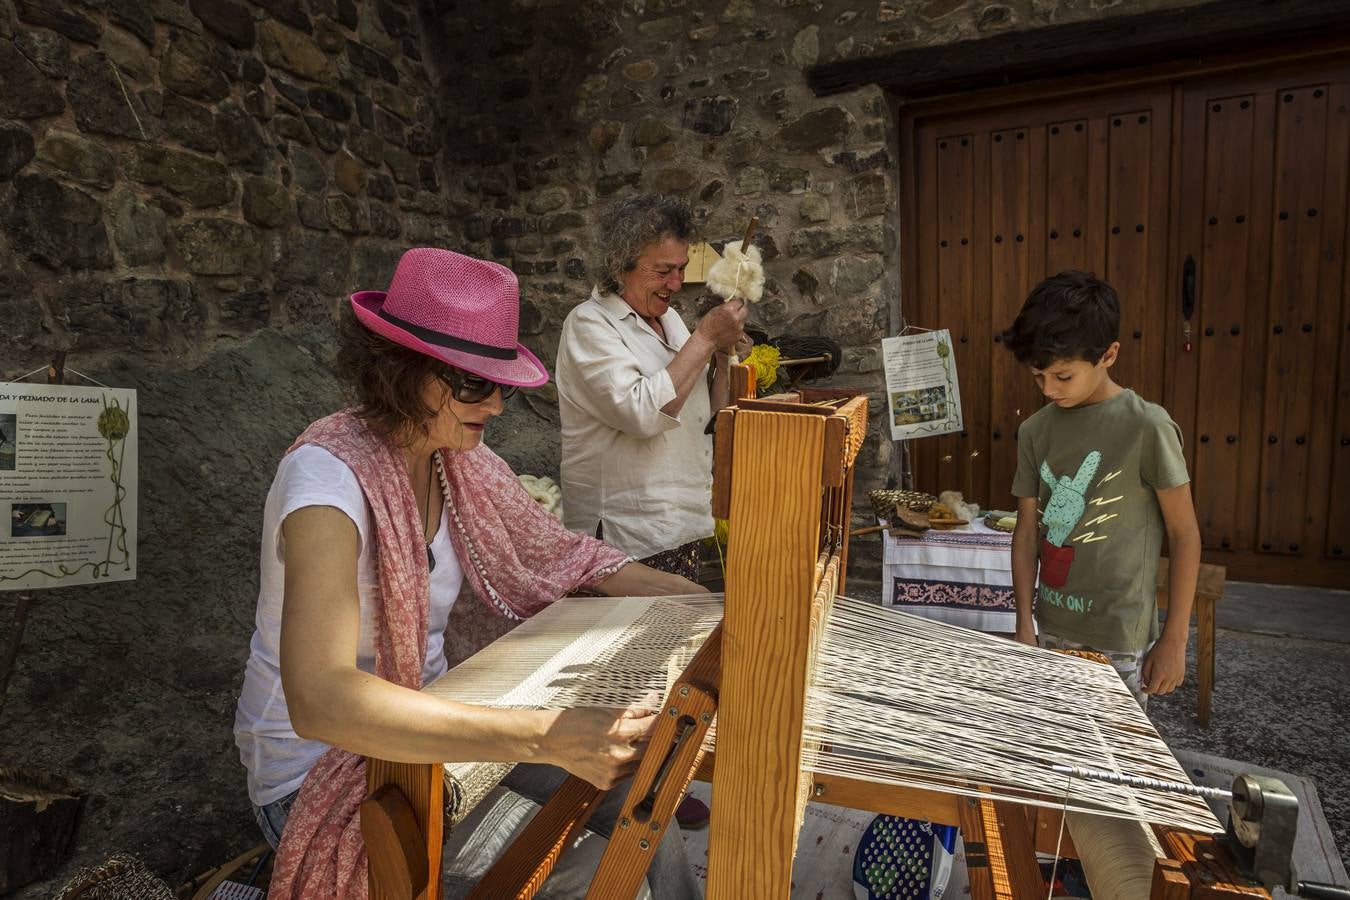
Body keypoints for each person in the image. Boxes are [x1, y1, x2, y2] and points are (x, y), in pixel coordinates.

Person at [233, 247, 703, 899]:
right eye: (475, 384)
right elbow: (321, 698)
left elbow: (569, 559)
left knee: (643, 805)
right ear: (402, 372)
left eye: (501, 383)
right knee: (590, 872)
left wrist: (709, 608)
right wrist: (547, 735)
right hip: (321, 773)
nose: (497, 406)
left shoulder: (457, 463)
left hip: (439, 733)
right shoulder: (326, 484)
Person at [554, 194, 751, 828]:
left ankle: (662, 782)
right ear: (620, 264)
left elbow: (704, 416)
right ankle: (618, 804)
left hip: (682, 517)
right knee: (625, 679)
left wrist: (722, 357)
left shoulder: (666, 326)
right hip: (625, 531)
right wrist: (702, 337)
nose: (675, 283)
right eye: (661, 270)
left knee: (673, 670)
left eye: (679, 269)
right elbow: (642, 413)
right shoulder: (590, 326)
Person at [1002, 270, 1201, 710]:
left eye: (1063, 376)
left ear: (1109, 355)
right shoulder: (1035, 431)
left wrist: (1175, 637)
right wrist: (1023, 623)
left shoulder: (1147, 427)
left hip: (1120, 636)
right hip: (1049, 623)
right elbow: (1028, 531)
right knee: (1054, 748)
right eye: (1039, 377)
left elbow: (1184, 533)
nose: (1049, 389)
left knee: (1114, 757)